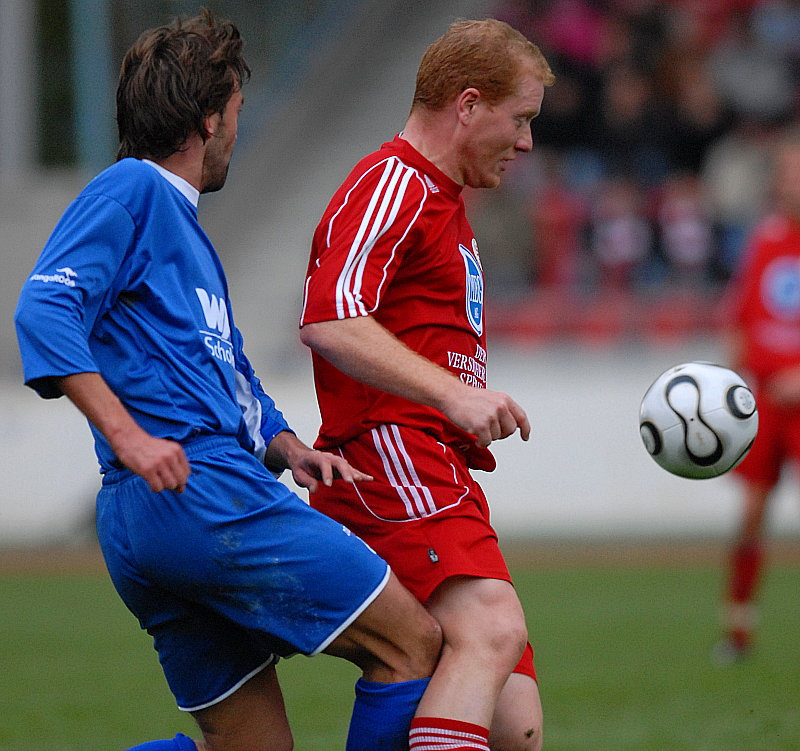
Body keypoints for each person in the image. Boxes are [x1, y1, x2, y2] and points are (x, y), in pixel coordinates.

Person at [13, 11, 451, 751]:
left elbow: (228, 373)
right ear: (209, 120)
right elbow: (44, 306)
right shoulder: (135, 190)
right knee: (411, 642)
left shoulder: (182, 231)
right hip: (199, 492)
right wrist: (129, 434)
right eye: (238, 112)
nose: (238, 132)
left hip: (144, 516)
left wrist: (287, 446)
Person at [299, 19, 554, 751]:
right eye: (520, 119)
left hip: (435, 462)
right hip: (391, 454)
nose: (527, 142)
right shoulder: (396, 183)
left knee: (515, 724)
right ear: (468, 105)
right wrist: (453, 394)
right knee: (493, 629)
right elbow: (330, 319)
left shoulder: (443, 200)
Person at [713, 124, 800, 664]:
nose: (790, 182)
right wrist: (732, 386)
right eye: (786, 173)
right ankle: (738, 626)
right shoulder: (765, 240)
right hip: (766, 399)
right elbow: (742, 317)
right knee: (751, 514)